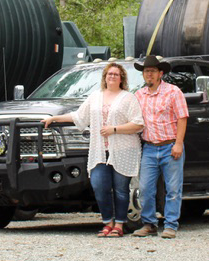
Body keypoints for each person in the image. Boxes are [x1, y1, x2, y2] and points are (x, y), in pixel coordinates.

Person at [43, 62, 143, 237]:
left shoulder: (128, 98)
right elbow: (79, 117)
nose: (112, 77)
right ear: (105, 77)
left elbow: (138, 124)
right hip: (99, 151)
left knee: (120, 189)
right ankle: (107, 222)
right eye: (109, 74)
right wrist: (55, 118)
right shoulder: (95, 97)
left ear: (121, 79)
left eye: (116, 74)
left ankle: (119, 224)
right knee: (99, 185)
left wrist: (114, 129)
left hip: (123, 149)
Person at [132, 55, 188, 239]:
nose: (149, 75)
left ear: (160, 73)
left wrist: (178, 143)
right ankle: (149, 224)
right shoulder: (139, 95)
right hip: (149, 147)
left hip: (170, 146)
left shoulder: (173, 92)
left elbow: (182, 117)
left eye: (152, 71)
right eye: (146, 71)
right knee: (146, 188)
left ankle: (171, 225)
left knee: (173, 188)